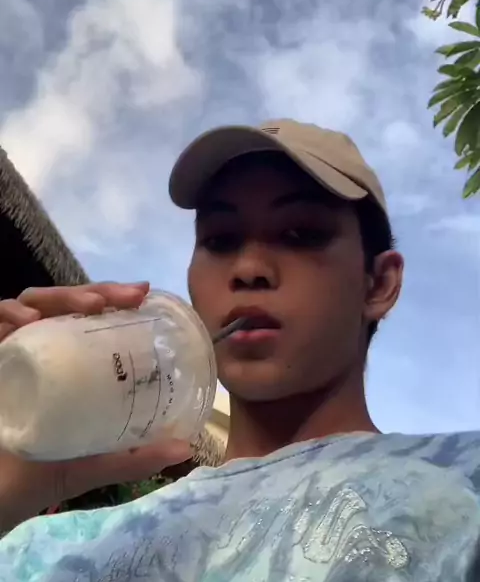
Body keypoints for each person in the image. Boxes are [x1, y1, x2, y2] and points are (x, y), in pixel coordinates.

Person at [0, 118, 478, 581]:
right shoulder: (48, 550)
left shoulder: (463, 479)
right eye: (221, 240)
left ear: (379, 283)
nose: (248, 268)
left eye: (300, 234)